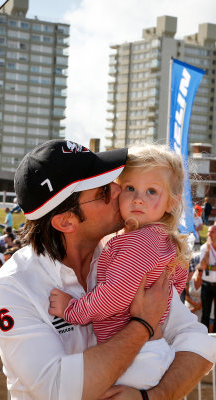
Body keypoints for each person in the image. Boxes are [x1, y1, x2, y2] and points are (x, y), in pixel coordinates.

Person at [0, 140, 216, 399]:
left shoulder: (128, 255)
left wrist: (155, 396)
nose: (119, 191)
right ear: (66, 221)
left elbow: (198, 342)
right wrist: (142, 325)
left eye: (114, 181)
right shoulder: (13, 287)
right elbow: (58, 390)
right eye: (103, 191)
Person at [49, 145, 191, 390]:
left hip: (135, 357)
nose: (138, 198)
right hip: (150, 350)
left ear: (171, 203)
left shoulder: (138, 242)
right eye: (130, 188)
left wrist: (72, 310)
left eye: (151, 191)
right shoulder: (161, 239)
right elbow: (177, 284)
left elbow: (114, 295)